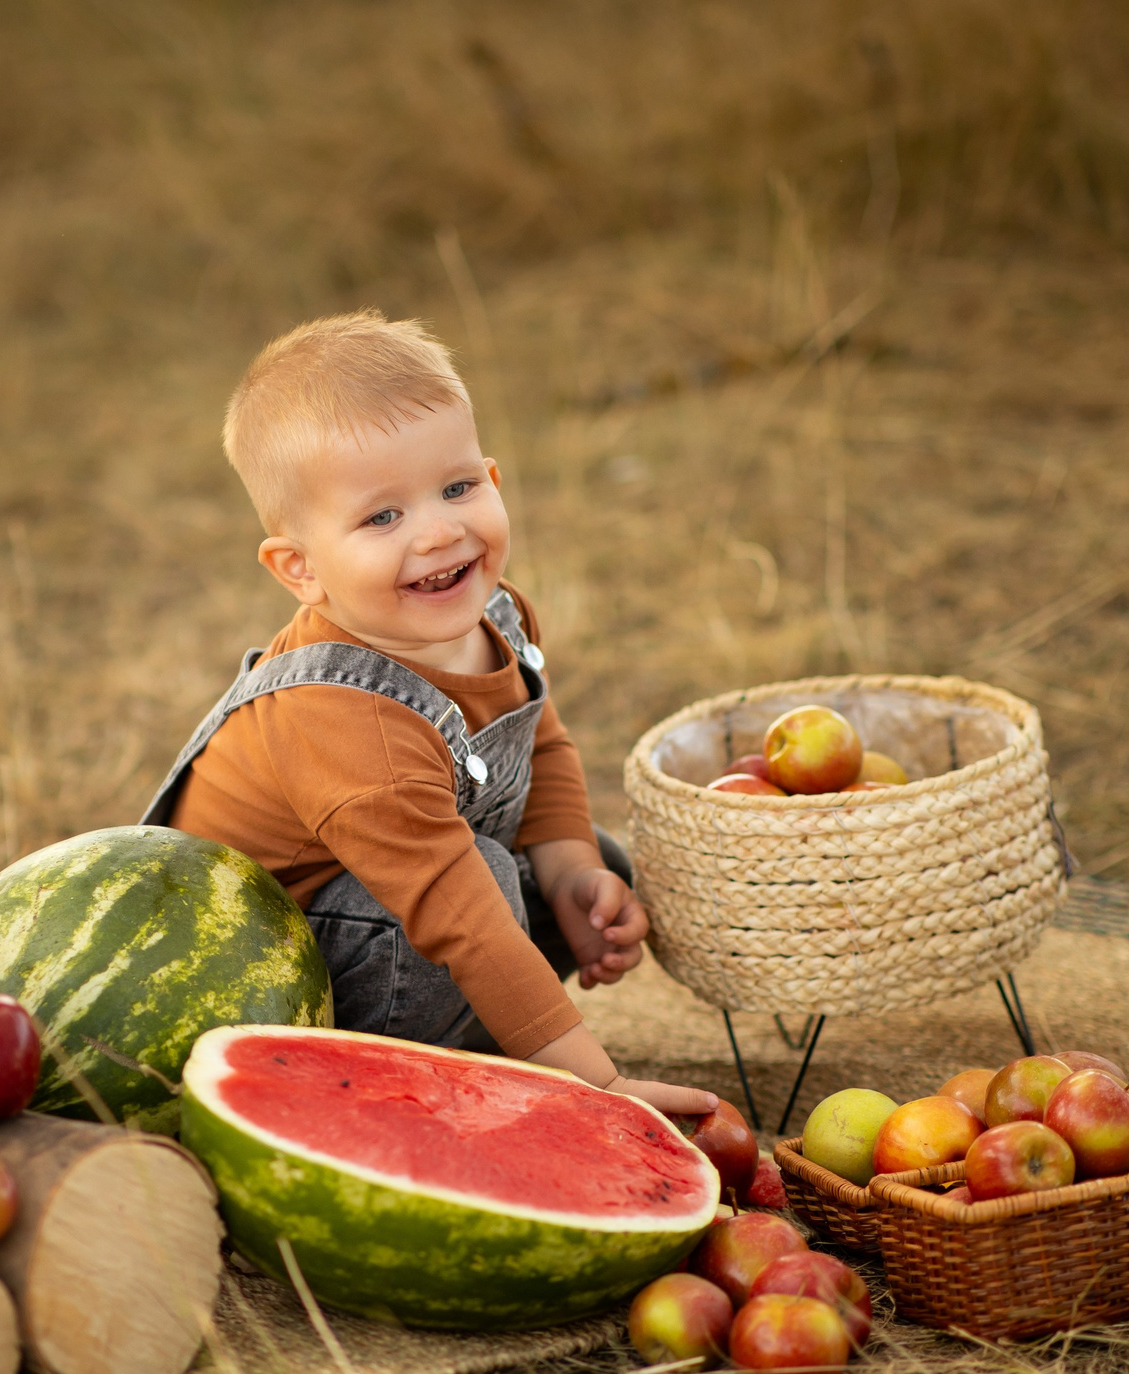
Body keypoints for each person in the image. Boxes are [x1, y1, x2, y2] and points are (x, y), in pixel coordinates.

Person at [142, 310, 714, 1123]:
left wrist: (573, 871)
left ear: (493, 478)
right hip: (275, 984)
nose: (441, 531)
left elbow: (538, 741)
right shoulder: (344, 717)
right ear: (299, 568)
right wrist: (602, 1089)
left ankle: (482, 1031)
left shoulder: (496, 616)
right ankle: (398, 1086)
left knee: (587, 868)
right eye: (383, 517)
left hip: (406, 910)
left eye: (456, 488)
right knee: (482, 878)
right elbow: (463, 918)